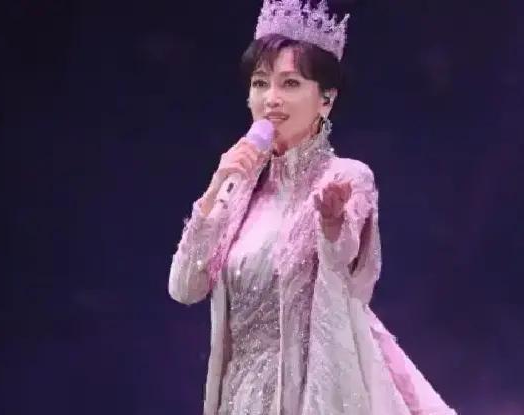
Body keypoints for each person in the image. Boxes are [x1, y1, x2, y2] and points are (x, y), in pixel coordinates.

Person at [168, 1, 455, 414]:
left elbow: (349, 272)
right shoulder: (241, 187)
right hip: (237, 398)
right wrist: (216, 186)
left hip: (310, 392)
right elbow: (184, 288)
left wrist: (333, 224)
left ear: (326, 100)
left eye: (290, 84)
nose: (271, 99)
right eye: (260, 83)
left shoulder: (347, 177)